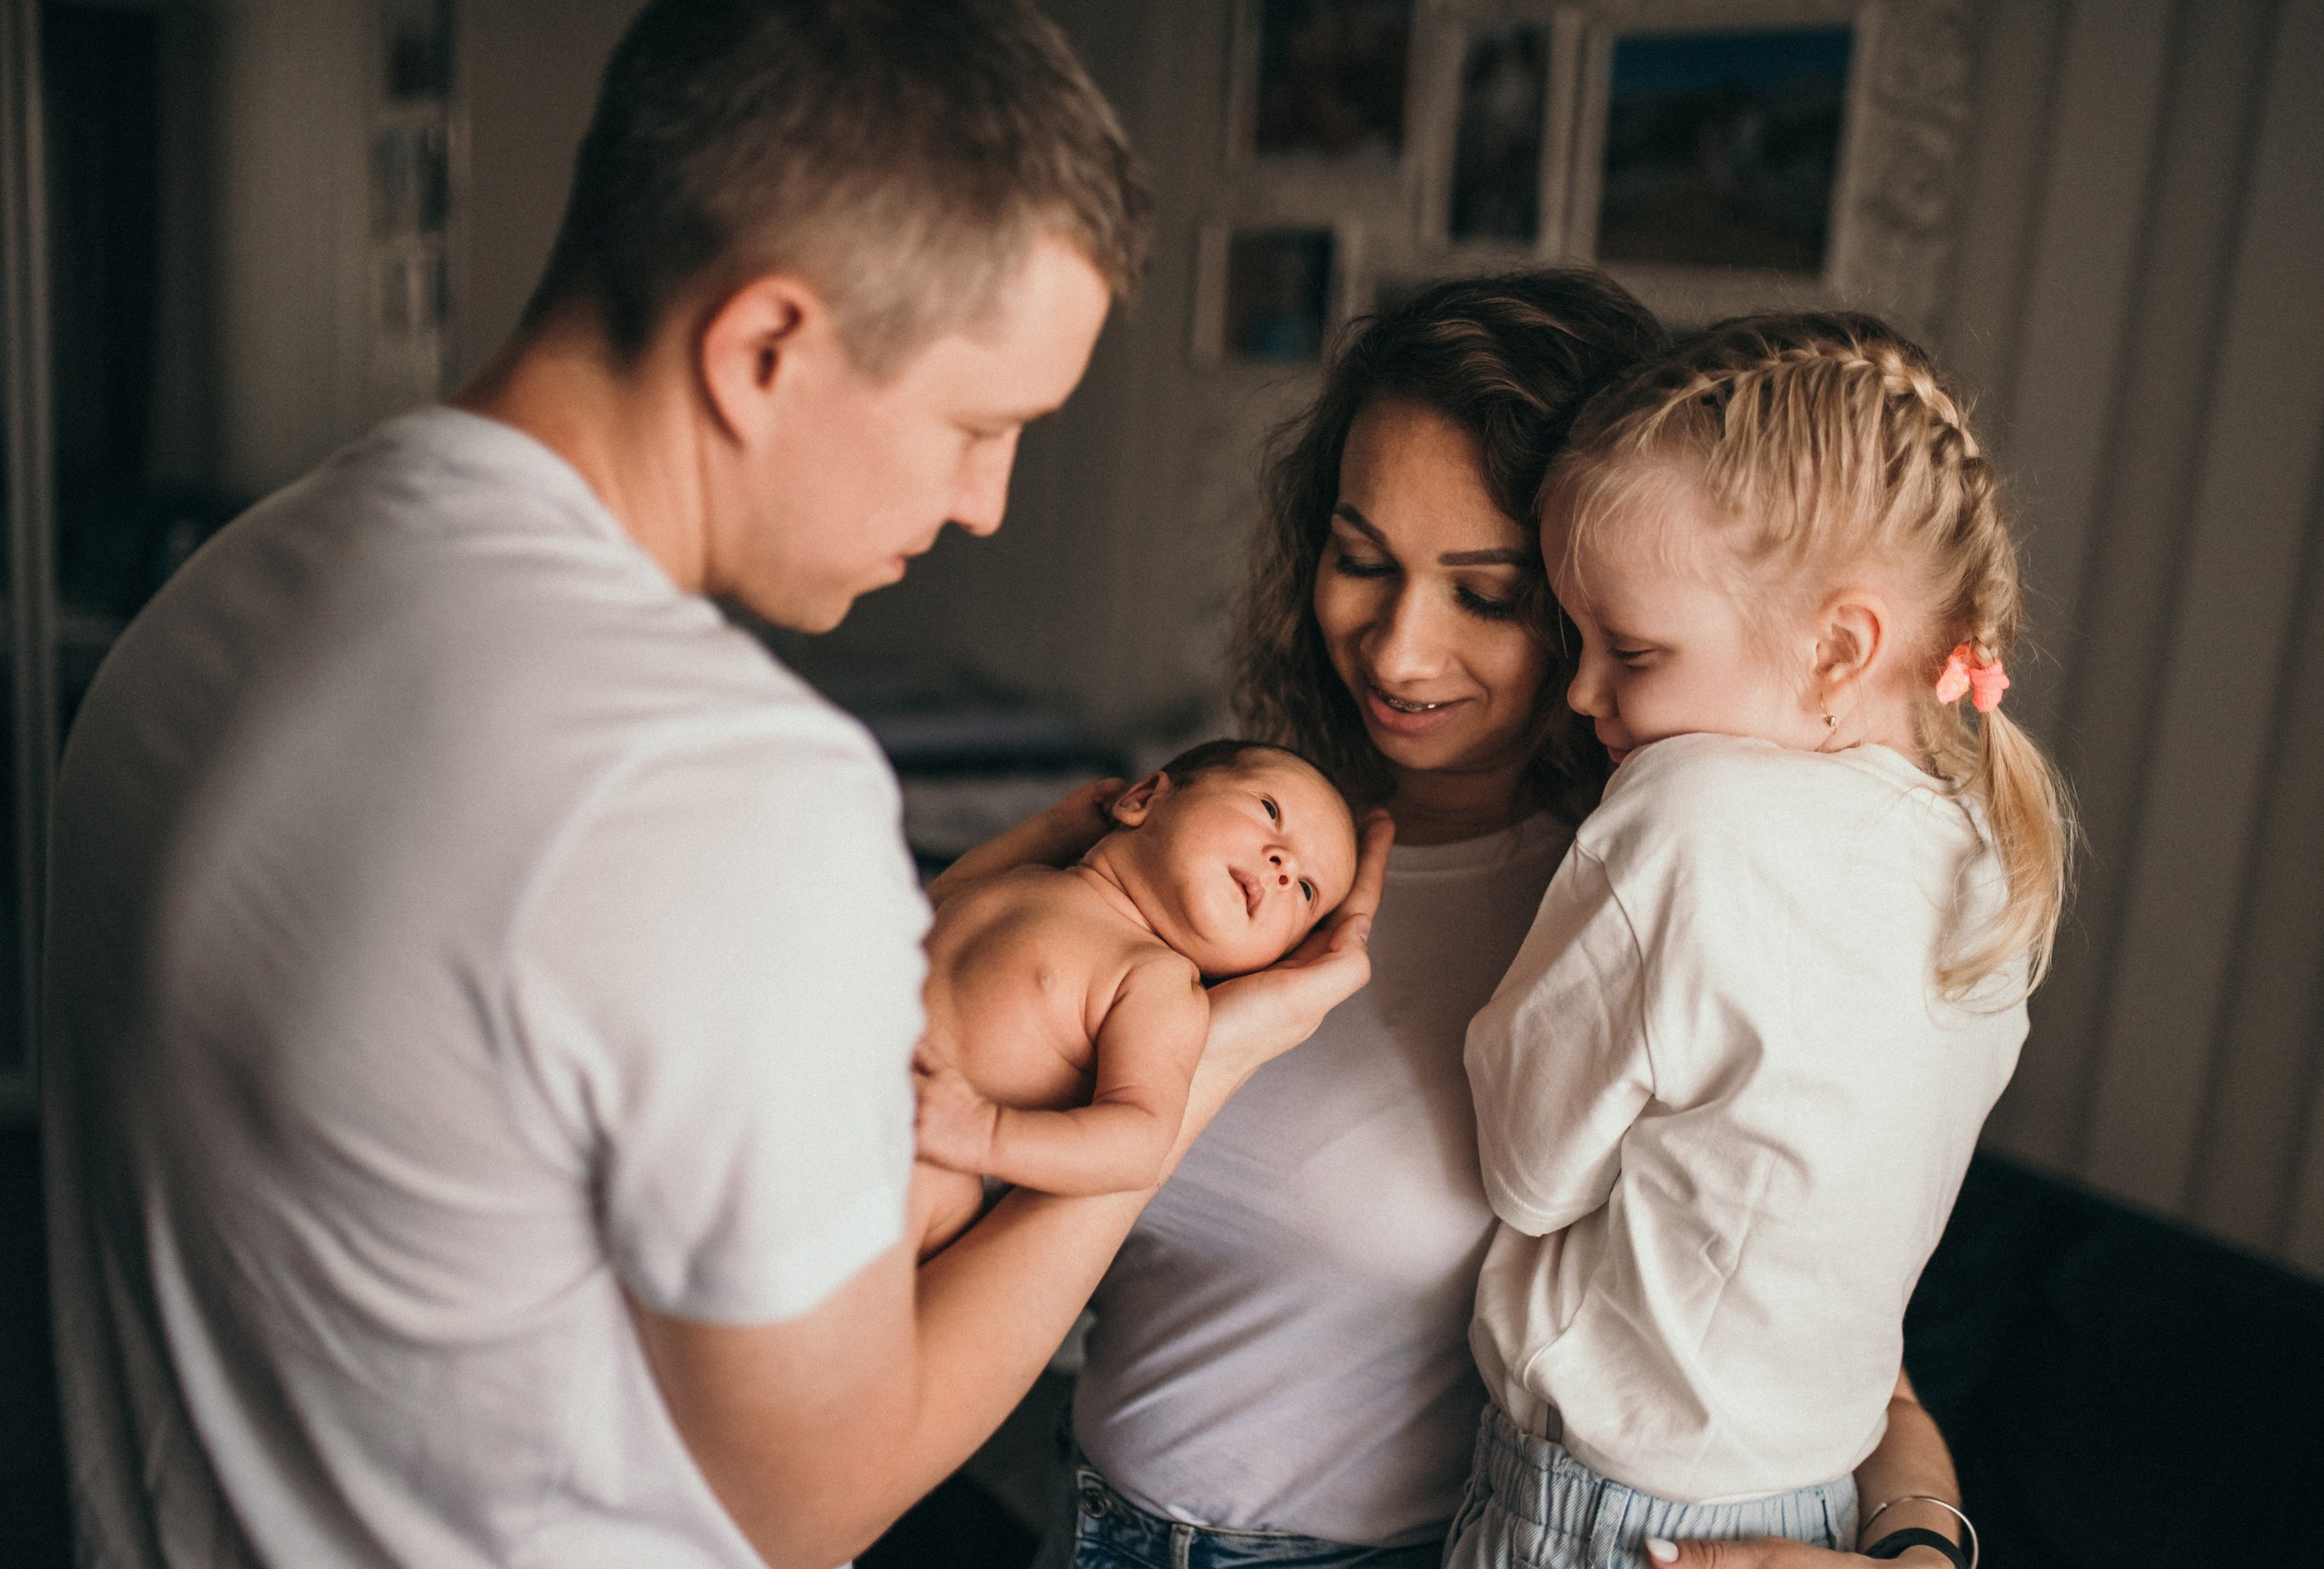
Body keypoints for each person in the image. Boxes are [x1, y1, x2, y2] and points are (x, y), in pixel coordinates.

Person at [39, 6, 1386, 1567]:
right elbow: (811, 1502)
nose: (984, 504)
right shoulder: (724, 790)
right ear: (764, 348)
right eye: (977, 424)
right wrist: (1198, 1071)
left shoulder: (230, 584)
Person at [1049, 276, 1979, 1569]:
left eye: (1484, 595)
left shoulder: (1665, 902)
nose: (1394, 650)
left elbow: (1833, 1336)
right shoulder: (1224, 847)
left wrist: (1919, 1553)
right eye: (1358, 559)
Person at [1447, 313, 2072, 1569]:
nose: (1582, 693)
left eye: (1631, 651)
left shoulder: (1687, 817)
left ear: (1837, 646)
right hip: (1818, 1507)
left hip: (1606, 1514)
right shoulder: (1987, 858)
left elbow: (1524, 1170)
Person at [913, 740, 1357, 1242]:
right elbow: (942, 899)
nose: (1284, 865)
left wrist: (984, 1133)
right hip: (840, 1074)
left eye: (1305, 891)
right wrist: (1059, 825)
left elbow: (1139, 1142)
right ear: (1144, 798)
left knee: (927, 1188)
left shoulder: (1155, 981)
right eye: (1269, 810)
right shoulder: (1027, 878)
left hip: (928, 1156)